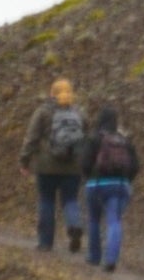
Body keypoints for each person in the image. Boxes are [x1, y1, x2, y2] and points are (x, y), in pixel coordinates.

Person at [24, 78, 96, 248]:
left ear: (52, 93)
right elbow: (87, 138)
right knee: (70, 199)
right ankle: (75, 226)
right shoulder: (80, 112)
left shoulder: (43, 112)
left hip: (46, 166)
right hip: (73, 166)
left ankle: (45, 243)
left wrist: (24, 160)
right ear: (71, 92)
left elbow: (31, 138)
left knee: (46, 201)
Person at [82, 103, 142, 271]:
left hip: (96, 185)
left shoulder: (94, 138)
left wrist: (90, 178)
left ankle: (94, 257)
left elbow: (85, 163)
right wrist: (126, 180)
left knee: (94, 220)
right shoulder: (124, 141)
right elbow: (136, 166)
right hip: (119, 185)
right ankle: (111, 259)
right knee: (114, 221)